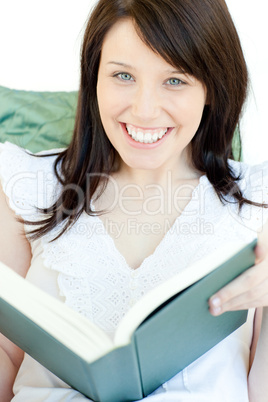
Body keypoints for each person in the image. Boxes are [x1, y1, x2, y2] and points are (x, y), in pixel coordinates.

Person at [0, 0, 268, 400]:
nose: (143, 111)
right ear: (94, 78)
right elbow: (6, 352)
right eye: (123, 75)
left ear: (211, 86)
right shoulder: (27, 185)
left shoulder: (258, 202)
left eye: (174, 80)